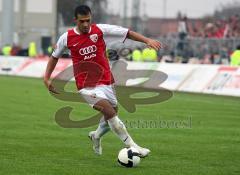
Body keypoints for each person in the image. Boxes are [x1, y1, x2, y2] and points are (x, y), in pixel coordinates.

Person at [43, 5, 163, 157]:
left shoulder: (100, 30)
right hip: (86, 86)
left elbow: (127, 33)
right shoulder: (66, 38)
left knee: (112, 113)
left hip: (107, 82)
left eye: (88, 20)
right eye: (82, 21)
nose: (86, 24)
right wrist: (46, 78)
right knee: (109, 111)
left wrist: (147, 40)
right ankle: (134, 146)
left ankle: (96, 135)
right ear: (76, 20)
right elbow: (54, 57)